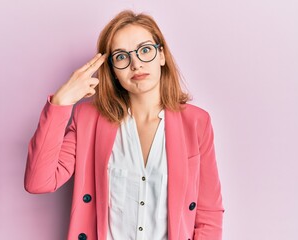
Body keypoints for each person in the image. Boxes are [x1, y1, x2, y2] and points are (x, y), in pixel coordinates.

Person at [24, 9, 224, 240]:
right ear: (112, 70)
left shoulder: (197, 122)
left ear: (162, 56)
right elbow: (38, 182)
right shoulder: (88, 119)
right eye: (121, 56)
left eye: (145, 50)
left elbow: (209, 212)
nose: (136, 64)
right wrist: (60, 103)